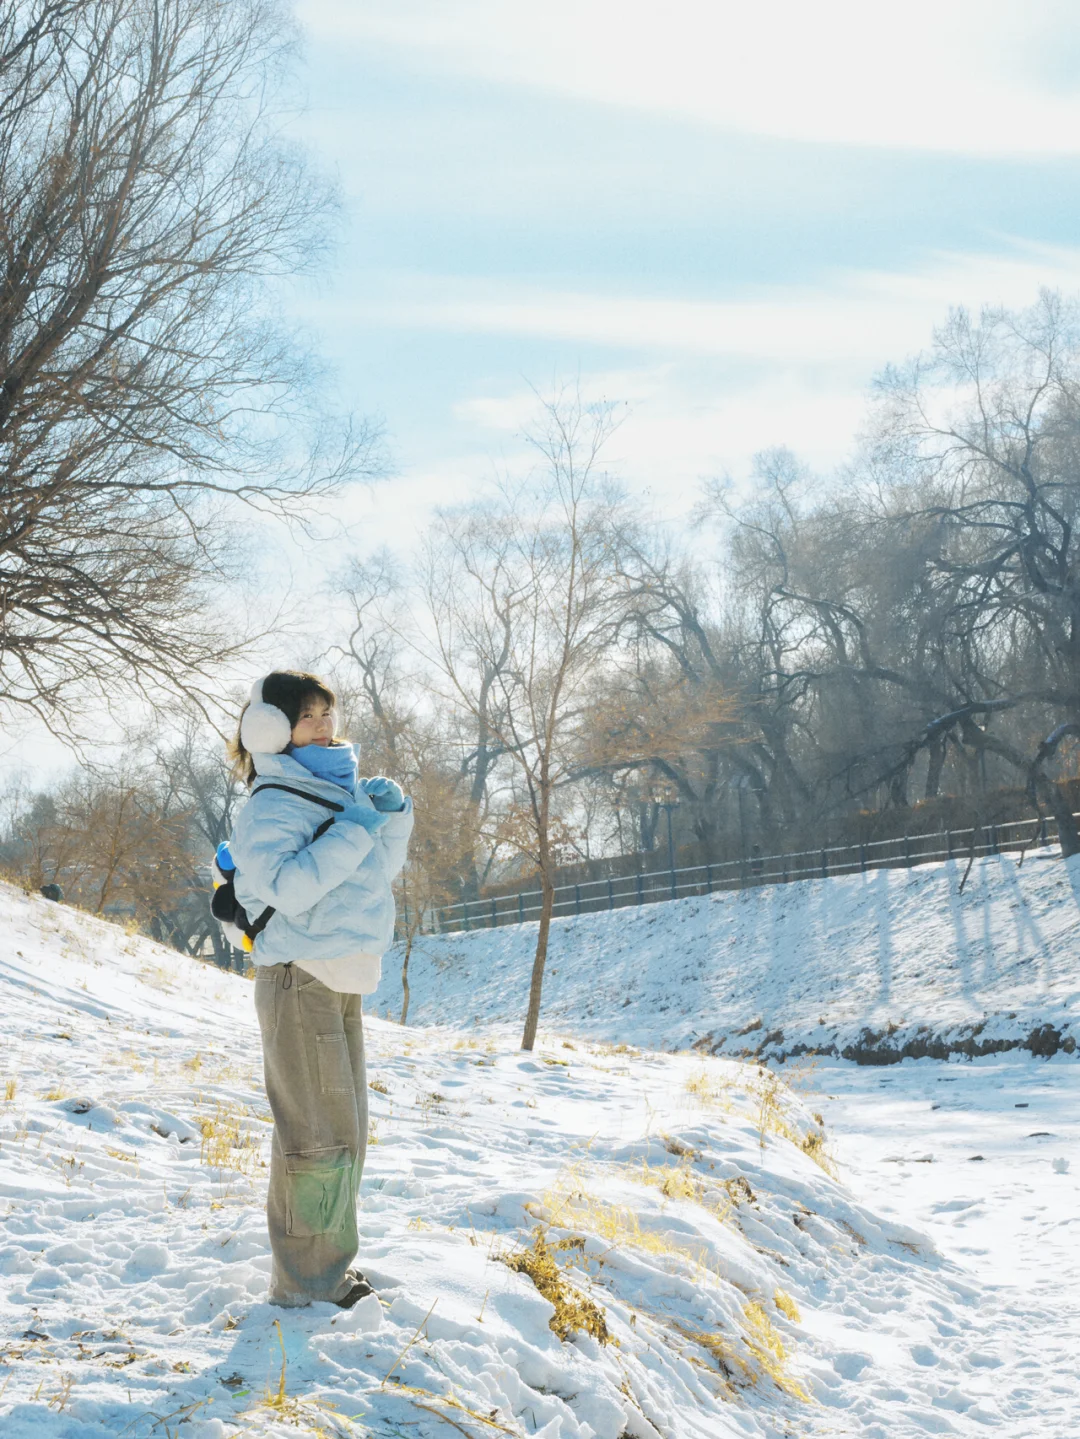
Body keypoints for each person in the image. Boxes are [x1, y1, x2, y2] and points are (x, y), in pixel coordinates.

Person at [225, 669, 413, 1308]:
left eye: (328, 714)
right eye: (308, 716)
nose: (325, 727)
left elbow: (372, 874)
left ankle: (315, 1271)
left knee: (341, 1132)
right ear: (270, 730)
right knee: (318, 1139)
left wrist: (390, 820)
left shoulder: (334, 796)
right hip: (298, 979)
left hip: (335, 977)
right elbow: (291, 887)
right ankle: (311, 1284)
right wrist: (357, 825)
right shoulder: (271, 803)